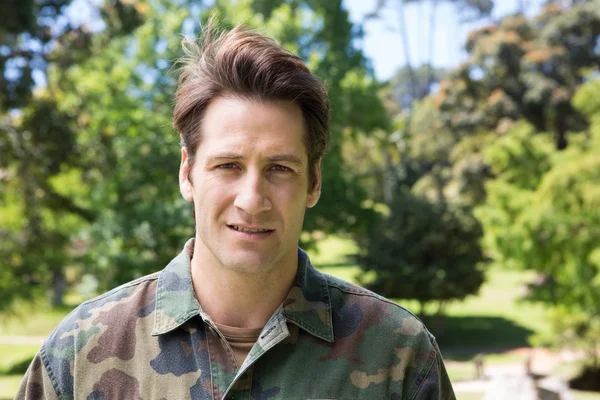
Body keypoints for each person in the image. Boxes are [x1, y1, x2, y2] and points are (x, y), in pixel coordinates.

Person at [16, 21, 455, 400]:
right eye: (228, 165)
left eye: (279, 168)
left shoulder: (400, 356)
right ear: (187, 174)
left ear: (314, 182)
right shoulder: (78, 355)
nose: (252, 198)